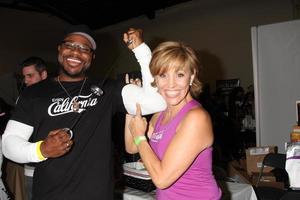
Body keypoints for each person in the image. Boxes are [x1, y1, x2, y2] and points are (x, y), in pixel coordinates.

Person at [1, 26, 165, 200]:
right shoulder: (34, 93)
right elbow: (9, 144)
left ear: (92, 57)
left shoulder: (107, 88)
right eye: (70, 45)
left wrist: (141, 50)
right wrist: (41, 149)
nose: (75, 52)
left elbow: (156, 102)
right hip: (50, 194)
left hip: (98, 194)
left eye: (84, 48)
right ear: (60, 49)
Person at [124, 41, 222, 199]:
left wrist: (140, 137)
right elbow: (132, 147)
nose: (171, 84)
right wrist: (132, 102)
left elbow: (162, 179)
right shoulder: (161, 113)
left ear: (192, 76)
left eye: (180, 75)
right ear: (155, 78)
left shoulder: (196, 118)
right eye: (163, 75)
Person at [20, 56, 48, 200]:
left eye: (30, 76)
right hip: (31, 167)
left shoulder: (57, 96)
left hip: (57, 168)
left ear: (43, 75)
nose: (26, 81)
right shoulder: (24, 99)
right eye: (24, 77)